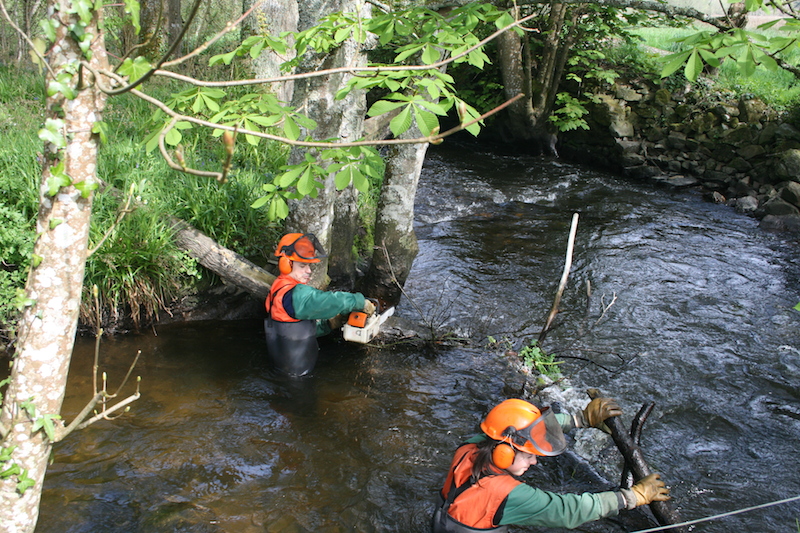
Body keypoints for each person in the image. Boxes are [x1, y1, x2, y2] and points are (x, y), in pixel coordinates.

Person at [432, 397, 670, 532]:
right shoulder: (505, 494)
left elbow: (520, 430)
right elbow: (568, 510)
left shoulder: (470, 447)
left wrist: (580, 420)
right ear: (504, 453)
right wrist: (631, 498)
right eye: (528, 456)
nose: (534, 461)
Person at [264, 232, 376, 377]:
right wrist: (359, 302)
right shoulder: (297, 294)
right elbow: (330, 300)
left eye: (309, 266)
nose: (309, 271)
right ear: (286, 264)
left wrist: (328, 325)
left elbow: (291, 330)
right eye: (303, 266)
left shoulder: (278, 288)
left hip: (282, 370)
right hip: (299, 376)